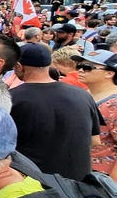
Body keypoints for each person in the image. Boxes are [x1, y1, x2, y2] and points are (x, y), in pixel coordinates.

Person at [10, 43, 100, 180]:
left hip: (34, 181)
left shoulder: (11, 98)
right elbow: (94, 140)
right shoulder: (83, 94)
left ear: (18, 66)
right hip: (77, 181)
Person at [74, 49, 117, 180]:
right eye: (79, 66)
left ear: (109, 73)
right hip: (80, 171)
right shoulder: (82, 94)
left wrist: (113, 183)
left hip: (103, 178)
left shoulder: (114, 104)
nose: (81, 70)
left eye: (87, 67)